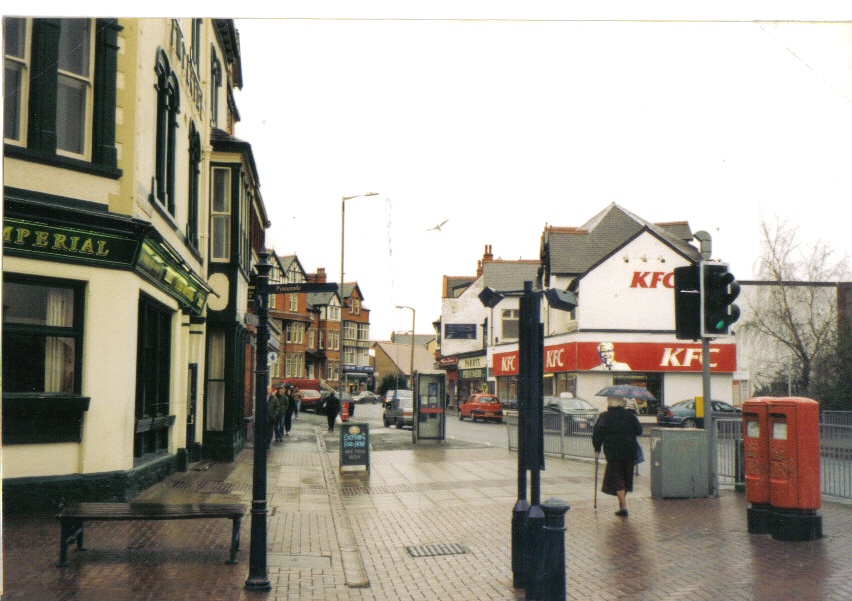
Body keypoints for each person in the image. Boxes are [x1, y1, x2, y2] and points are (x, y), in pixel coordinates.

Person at [592, 396, 643, 517]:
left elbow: (597, 433)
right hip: (630, 451)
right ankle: (622, 506)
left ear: (609, 403)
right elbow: (639, 431)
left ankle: (623, 507)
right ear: (622, 403)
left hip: (613, 452)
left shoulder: (605, 416)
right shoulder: (630, 416)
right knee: (625, 478)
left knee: (617, 478)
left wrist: (597, 447)